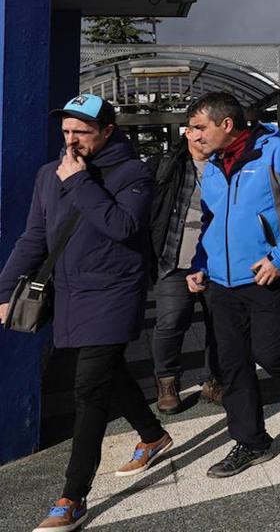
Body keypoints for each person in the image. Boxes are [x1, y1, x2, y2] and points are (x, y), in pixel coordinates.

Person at [0, 94, 173, 531]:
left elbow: (123, 227)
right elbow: (33, 238)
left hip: (114, 291)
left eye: (82, 132)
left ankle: (71, 497)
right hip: (70, 292)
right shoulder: (48, 175)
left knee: (88, 389)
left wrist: (79, 182)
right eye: (66, 133)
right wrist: (4, 289)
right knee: (107, 372)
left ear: (108, 132)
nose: (72, 141)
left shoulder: (133, 172)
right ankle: (153, 435)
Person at [184, 92, 280, 478]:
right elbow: (213, 219)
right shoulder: (212, 163)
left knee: (271, 353)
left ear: (226, 125)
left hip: (267, 275)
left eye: (200, 127)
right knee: (232, 364)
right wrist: (202, 263)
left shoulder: (278, 152)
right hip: (221, 283)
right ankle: (252, 442)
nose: (192, 134)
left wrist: (279, 258)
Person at [147, 130, 222, 414]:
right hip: (173, 260)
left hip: (217, 262)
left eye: (206, 128)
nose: (201, 136)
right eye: (195, 128)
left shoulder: (227, 164)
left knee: (220, 324)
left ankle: (214, 380)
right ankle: (167, 381)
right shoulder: (169, 164)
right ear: (186, 132)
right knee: (170, 323)